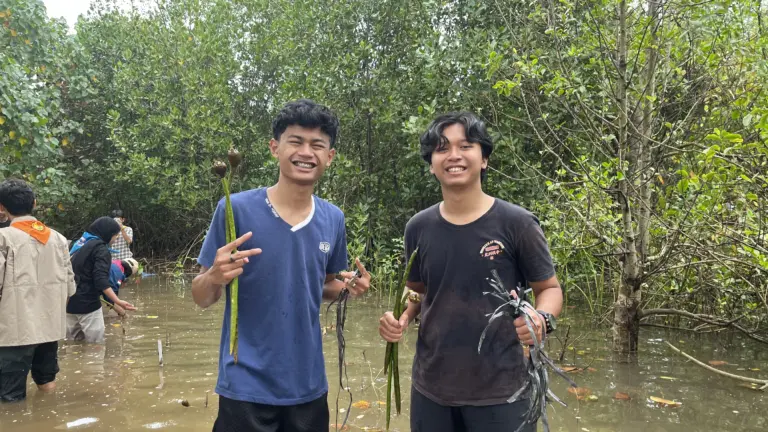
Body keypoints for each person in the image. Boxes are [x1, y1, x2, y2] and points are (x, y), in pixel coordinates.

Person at [377, 112, 563, 432]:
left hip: (504, 390)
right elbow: (417, 291)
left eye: (466, 146)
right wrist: (402, 319)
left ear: (484, 159)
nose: (454, 156)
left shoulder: (517, 223)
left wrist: (541, 319)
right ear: (432, 164)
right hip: (431, 388)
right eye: (442, 148)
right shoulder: (418, 228)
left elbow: (550, 288)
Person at [193, 99, 371, 432]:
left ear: (329, 157)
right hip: (244, 382)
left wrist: (348, 289)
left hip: (307, 383)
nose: (306, 152)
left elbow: (323, 286)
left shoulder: (333, 219)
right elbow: (202, 297)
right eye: (296, 141)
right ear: (275, 147)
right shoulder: (234, 209)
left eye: (317, 145)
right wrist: (214, 276)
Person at [0, 179, 76, 402]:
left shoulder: (3, 238)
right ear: (34, 202)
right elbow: (70, 285)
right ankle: (49, 418)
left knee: (10, 394)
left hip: (14, 330)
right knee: (46, 379)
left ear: (2, 208)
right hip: (50, 327)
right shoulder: (58, 238)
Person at [67, 217, 137, 343]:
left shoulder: (80, 243)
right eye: (116, 236)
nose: (115, 240)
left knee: (74, 345)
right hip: (88, 305)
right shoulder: (101, 249)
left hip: (69, 303)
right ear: (108, 234)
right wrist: (117, 301)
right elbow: (101, 281)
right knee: (96, 346)